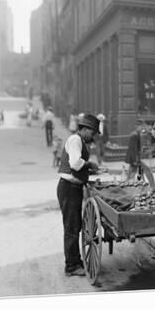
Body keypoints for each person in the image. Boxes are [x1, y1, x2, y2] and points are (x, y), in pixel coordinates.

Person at [56, 113, 100, 276]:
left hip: (73, 188)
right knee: (71, 228)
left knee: (74, 226)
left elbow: (77, 165)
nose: (93, 138)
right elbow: (75, 164)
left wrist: (89, 168)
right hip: (68, 188)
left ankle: (75, 260)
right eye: (93, 134)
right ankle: (71, 266)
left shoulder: (79, 141)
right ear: (86, 129)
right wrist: (89, 164)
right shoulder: (75, 140)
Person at [125, 120, 155, 190]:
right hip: (135, 158)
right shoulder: (135, 135)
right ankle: (152, 186)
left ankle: (140, 185)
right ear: (137, 127)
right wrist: (136, 159)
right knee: (145, 171)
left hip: (134, 158)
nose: (142, 128)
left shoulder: (136, 134)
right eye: (141, 126)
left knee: (135, 173)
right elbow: (133, 149)